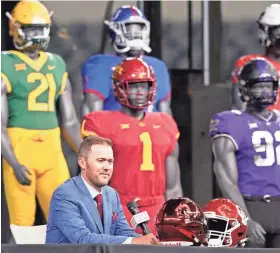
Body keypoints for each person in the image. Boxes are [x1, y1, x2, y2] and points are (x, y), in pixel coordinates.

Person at [1, 0, 81, 226]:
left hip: (52, 146)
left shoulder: (56, 63)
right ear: (15, 28)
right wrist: (13, 162)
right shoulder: (4, 62)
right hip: (20, 146)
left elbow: (71, 121)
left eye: (40, 29)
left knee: (67, 219)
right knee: (22, 223)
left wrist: (86, 152)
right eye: (30, 29)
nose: (36, 35)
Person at [81, 57, 183, 235]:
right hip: (118, 206)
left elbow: (173, 186)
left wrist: (176, 214)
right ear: (119, 88)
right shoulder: (102, 122)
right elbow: (91, 180)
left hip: (157, 207)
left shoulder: (165, 123)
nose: (140, 92)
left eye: (144, 86)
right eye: (134, 85)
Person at [209, 58, 280, 248]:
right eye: (259, 86)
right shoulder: (230, 121)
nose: (265, 91)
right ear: (244, 89)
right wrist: (245, 218)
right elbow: (225, 179)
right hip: (251, 205)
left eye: (269, 85)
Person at [46, 135, 159, 244]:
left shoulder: (111, 194)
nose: (106, 167)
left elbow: (123, 232)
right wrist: (133, 241)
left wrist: (148, 241)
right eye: (100, 160)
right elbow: (82, 239)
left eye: (110, 161)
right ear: (82, 163)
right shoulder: (65, 194)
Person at [81, 5, 172, 116]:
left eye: (139, 29)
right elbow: (92, 118)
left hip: (151, 132)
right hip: (114, 131)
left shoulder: (158, 67)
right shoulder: (101, 66)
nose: (136, 35)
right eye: (130, 30)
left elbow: (166, 116)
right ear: (115, 31)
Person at [231, 3, 280, 112]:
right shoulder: (249, 63)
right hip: (258, 125)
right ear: (266, 34)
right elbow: (239, 106)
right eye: (278, 36)